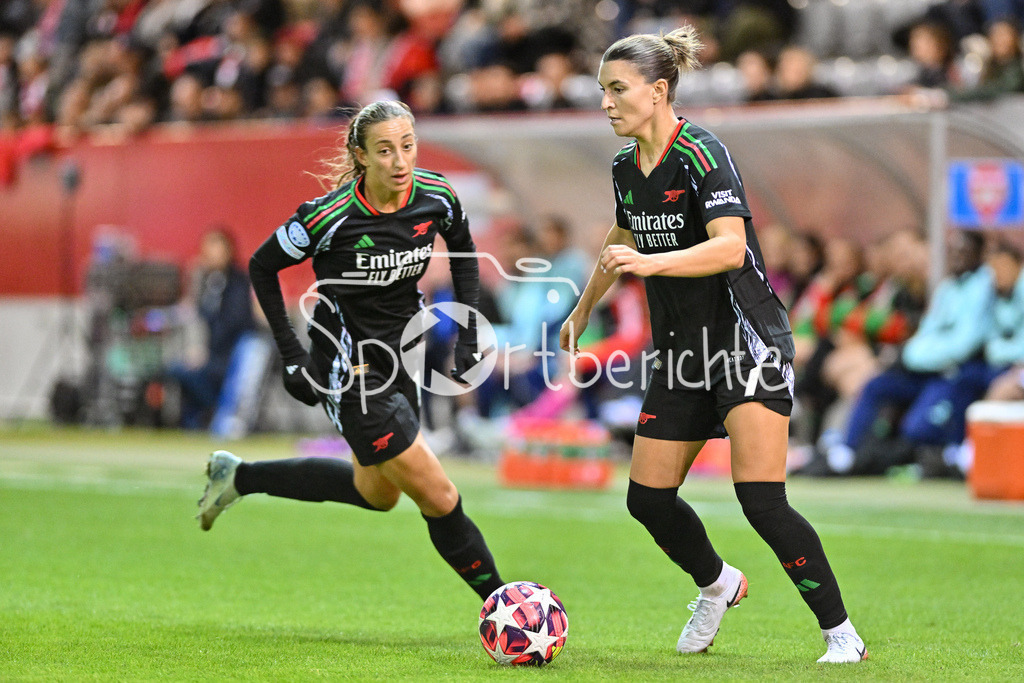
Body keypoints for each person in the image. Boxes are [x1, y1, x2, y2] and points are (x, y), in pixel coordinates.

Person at [559, 25, 866, 663]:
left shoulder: (703, 152)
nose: (607, 103)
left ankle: (842, 636)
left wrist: (654, 264)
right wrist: (583, 308)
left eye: (618, 89)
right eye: (602, 91)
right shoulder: (624, 166)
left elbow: (729, 247)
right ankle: (717, 583)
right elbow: (624, 237)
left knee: (760, 497)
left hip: (744, 341)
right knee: (646, 498)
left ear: (659, 90)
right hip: (680, 353)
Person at [195, 100, 505, 602]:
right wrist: (293, 353)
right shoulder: (329, 217)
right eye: (385, 150)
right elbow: (260, 266)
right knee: (440, 494)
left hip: (403, 358)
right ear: (360, 155)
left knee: (377, 495)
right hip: (350, 370)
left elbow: (465, 251)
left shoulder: (436, 196)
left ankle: (240, 477)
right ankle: (506, 605)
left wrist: (470, 332)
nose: (400, 161)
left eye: (407, 146)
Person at [167, 227, 256, 429]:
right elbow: (194, 316)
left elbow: (236, 321)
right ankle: (201, 418)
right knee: (176, 369)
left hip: (231, 354)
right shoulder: (205, 282)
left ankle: (218, 412)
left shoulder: (240, 281)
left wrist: (206, 353)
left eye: (217, 249)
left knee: (190, 373)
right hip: (207, 352)